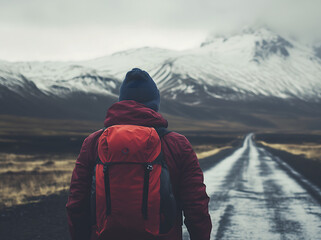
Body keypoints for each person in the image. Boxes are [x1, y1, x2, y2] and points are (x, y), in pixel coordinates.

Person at [66, 68, 212, 240]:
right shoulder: (177, 144)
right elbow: (196, 206)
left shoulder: (93, 142)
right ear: (154, 105)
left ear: (122, 102)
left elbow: (76, 204)